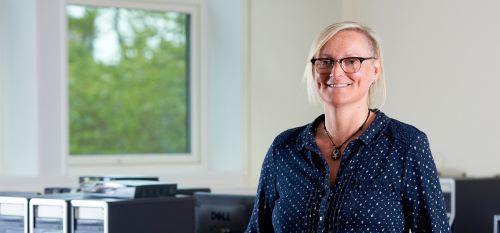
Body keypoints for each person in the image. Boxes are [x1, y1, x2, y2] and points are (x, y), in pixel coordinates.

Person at [245, 21, 450, 233]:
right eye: (325, 61)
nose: (336, 72)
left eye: (352, 61)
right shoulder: (285, 149)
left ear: (375, 70)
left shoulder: (406, 146)